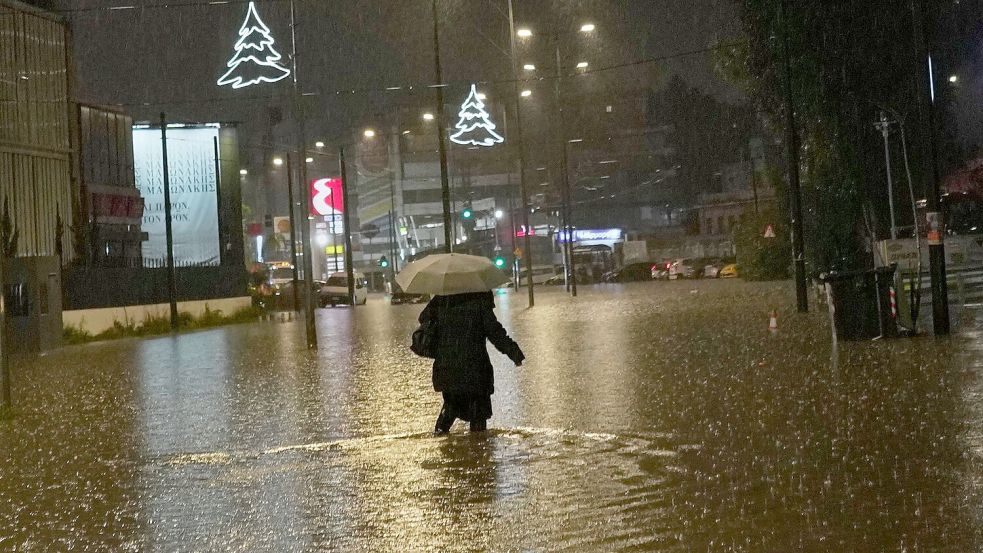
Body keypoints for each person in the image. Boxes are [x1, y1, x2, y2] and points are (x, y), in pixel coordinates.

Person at [418, 291, 524, 434]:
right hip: (475, 369)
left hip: (447, 368)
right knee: (478, 417)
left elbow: (424, 319)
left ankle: (441, 441)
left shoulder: (442, 299)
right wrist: (514, 352)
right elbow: (495, 332)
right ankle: (478, 452)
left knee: (450, 408)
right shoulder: (479, 299)